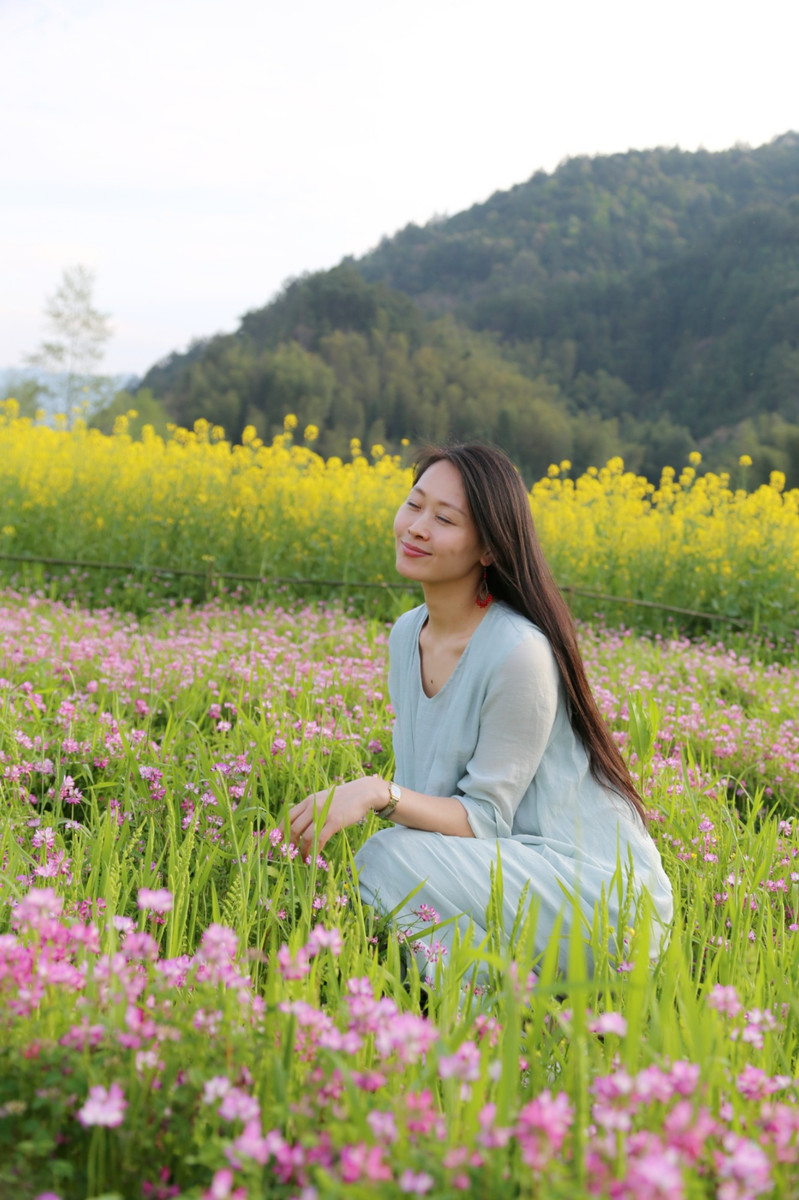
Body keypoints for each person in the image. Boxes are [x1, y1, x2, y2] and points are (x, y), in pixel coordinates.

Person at [289, 443, 673, 978]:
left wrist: (376, 792)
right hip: (511, 874)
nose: (417, 527)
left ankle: (491, 1015)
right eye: (414, 504)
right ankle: (497, 1012)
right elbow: (438, 811)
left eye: (444, 518)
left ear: (489, 549)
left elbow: (484, 820)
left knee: (384, 859)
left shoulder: (519, 651)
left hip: (602, 901)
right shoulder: (407, 634)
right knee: (390, 861)